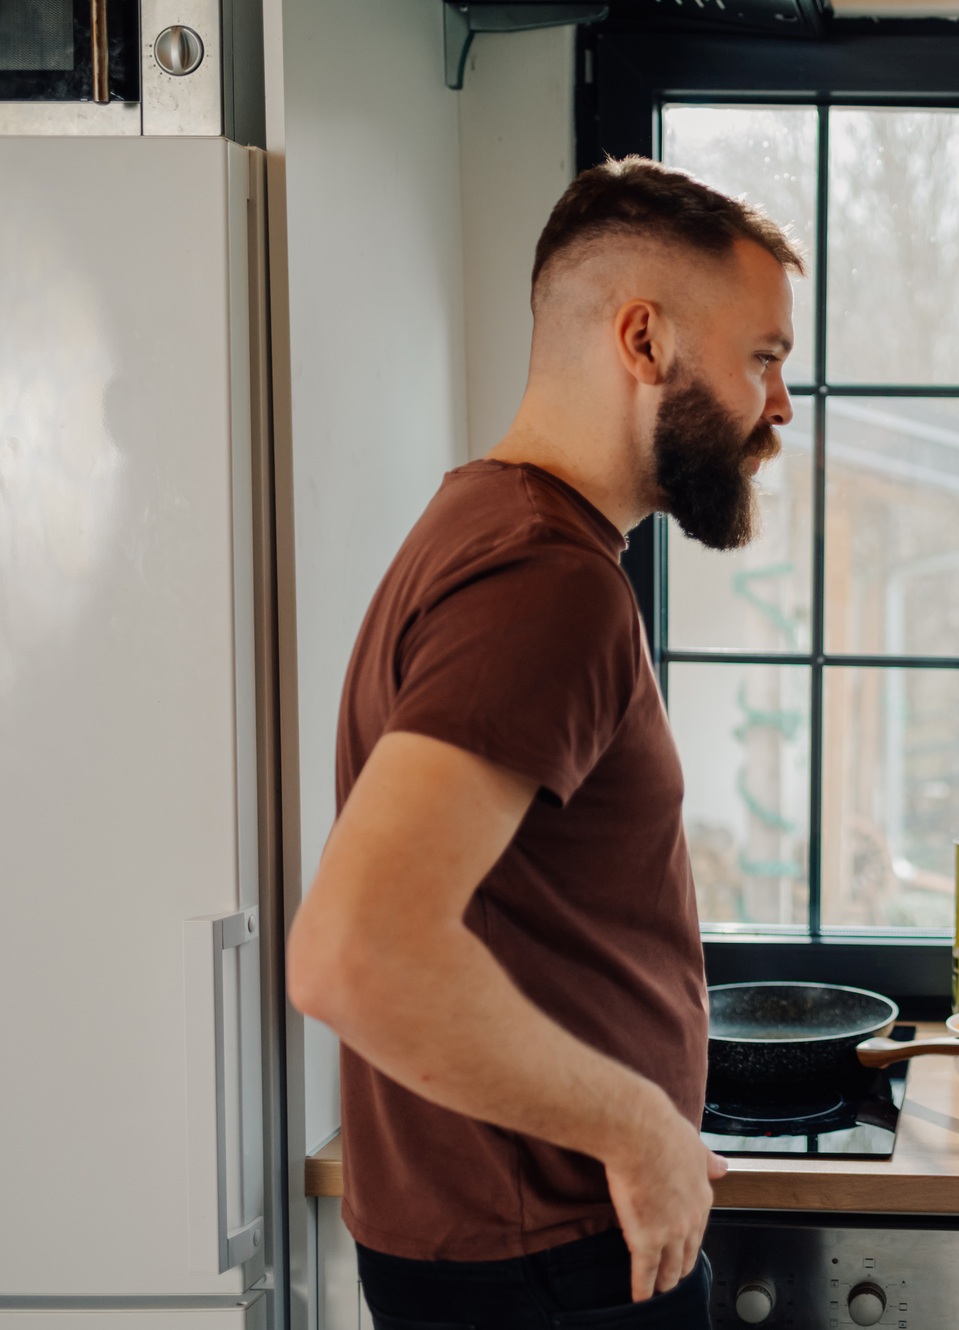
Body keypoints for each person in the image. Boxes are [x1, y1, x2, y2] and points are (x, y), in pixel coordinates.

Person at [287, 158, 801, 1329]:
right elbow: (352, 953)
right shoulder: (543, 583)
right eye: (762, 358)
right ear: (642, 340)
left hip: (507, 1252)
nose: (778, 407)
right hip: (550, 1270)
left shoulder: (481, 525)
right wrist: (641, 1132)